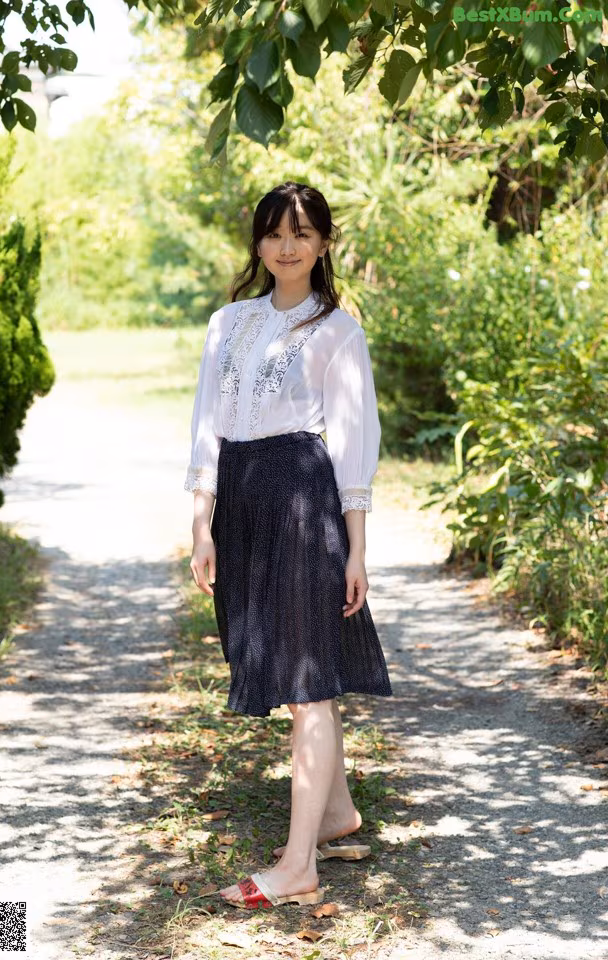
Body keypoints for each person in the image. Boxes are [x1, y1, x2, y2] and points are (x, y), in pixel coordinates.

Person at [185, 180, 393, 910]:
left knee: (309, 682)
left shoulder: (336, 329)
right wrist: (202, 515)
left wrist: (356, 548)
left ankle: (298, 864)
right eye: (275, 232)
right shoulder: (226, 322)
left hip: (304, 497)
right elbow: (207, 421)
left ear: (324, 242)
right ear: (259, 242)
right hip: (241, 499)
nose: (288, 245)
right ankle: (336, 814)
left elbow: (353, 444)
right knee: (273, 658)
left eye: (303, 232)